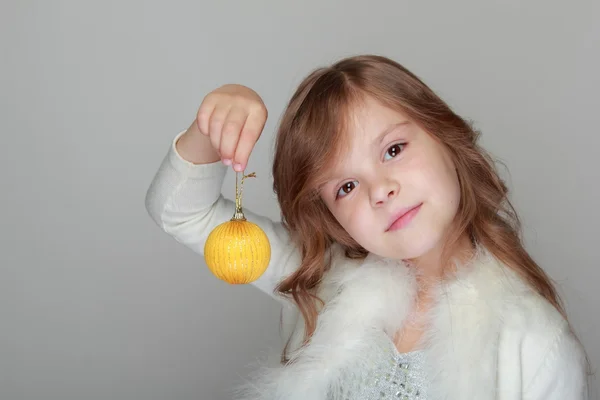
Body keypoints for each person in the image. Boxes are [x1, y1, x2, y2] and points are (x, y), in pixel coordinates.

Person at [144, 55, 590, 399]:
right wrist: (216, 119)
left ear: (445, 136)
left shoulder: (535, 344)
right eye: (347, 186)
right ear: (330, 216)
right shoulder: (318, 280)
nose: (380, 191)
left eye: (393, 149)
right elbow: (179, 210)